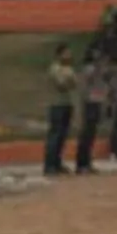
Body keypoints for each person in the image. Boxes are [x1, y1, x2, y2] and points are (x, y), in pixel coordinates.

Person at [42, 44, 76, 176]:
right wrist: (69, 76)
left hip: (67, 103)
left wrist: (70, 77)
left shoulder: (68, 69)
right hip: (56, 105)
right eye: (66, 53)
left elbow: (74, 84)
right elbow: (62, 84)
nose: (69, 56)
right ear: (59, 55)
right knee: (55, 135)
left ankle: (57, 162)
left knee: (63, 135)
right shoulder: (55, 69)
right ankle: (49, 165)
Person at [73, 48, 108, 175]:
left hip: (96, 102)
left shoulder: (100, 72)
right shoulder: (89, 70)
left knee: (91, 134)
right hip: (90, 103)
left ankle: (87, 162)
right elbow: (84, 87)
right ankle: (81, 163)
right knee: (86, 134)